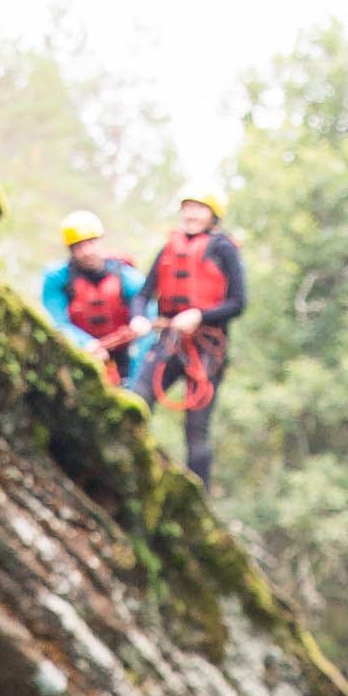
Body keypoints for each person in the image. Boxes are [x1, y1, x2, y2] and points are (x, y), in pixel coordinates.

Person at [136, 188, 246, 485]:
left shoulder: (224, 249)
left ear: (212, 216)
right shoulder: (169, 248)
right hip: (170, 341)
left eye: (200, 208)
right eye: (188, 208)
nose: (192, 214)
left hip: (208, 349)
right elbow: (145, 293)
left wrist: (199, 315)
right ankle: (129, 471)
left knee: (196, 432)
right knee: (138, 400)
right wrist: (139, 318)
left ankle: (198, 498)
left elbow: (238, 302)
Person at [36, 209, 144, 389]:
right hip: (79, 353)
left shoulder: (125, 276)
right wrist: (85, 343)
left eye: (91, 243)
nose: (87, 252)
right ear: (71, 250)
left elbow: (144, 304)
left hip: (122, 355)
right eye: (79, 247)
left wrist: (139, 322)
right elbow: (55, 320)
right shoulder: (57, 279)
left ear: (100, 242)